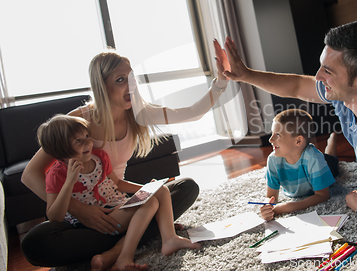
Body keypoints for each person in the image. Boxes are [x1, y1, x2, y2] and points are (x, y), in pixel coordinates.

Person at [220, 20, 357, 235]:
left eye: (327, 71)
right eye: (321, 66)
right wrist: (247, 75)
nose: (318, 76)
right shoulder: (349, 89)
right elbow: (298, 86)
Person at [21, 46, 229, 269]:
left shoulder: (139, 112)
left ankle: (112, 251)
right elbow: (30, 175)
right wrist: (79, 210)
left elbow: (191, 113)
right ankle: (142, 232)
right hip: (84, 215)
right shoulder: (78, 122)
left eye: (132, 78)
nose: (130, 85)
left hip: (119, 204)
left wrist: (220, 83)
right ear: (102, 86)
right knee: (35, 242)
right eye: (121, 80)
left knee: (185, 187)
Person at [38, 114, 201, 270]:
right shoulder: (57, 174)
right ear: (61, 149)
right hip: (99, 220)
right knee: (150, 202)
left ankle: (169, 239)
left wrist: (145, 188)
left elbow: (117, 183)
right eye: (78, 141)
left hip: (118, 206)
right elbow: (54, 216)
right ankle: (125, 257)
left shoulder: (99, 157)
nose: (88, 143)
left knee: (162, 190)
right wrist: (68, 184)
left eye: (87, 136)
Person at [260, 109, 337, 221]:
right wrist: (267, 206)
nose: (270, 140)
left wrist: (288, 207)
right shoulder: (273, 160)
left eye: (277, 135)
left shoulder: (315, 159)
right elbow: (271, 196)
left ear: (298, 141)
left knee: (331, 159)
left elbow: (322, 195)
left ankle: (332, 140)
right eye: (272, 134)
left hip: (325, 165)